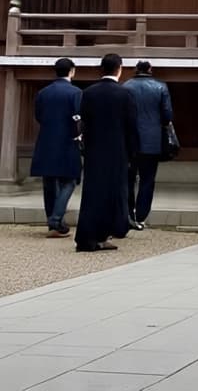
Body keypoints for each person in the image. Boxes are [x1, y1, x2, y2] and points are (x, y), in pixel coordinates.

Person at [75, 52, 141, 252]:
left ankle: (86, 236)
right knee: (112, 193)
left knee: (91, 193)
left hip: (94, 150)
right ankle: (103, 234)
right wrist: (133, 153)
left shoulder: (88, 92)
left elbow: (83, 121)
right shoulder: (124, 94)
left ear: (102, 69)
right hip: (116, 151)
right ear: (119, 69)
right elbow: (131, 126)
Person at [30, 56, 82, 237]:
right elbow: (78, 118)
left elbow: (38, 115)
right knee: (70, 179)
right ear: (72, 71)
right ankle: (56, 217)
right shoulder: (75, 92)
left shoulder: (43, 92)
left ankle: (54, 224)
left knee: (49, 183)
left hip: (46, 140)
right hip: (68, 140)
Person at [123, 59, 173, 230]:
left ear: (135, 69)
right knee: (147, 179)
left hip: (129, 139)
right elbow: (167, 115)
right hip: (152, 139)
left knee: (128, 179)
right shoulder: (160, 87)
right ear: (150, 69)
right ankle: (141, 216)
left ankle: (128, 213)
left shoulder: (125, 87)